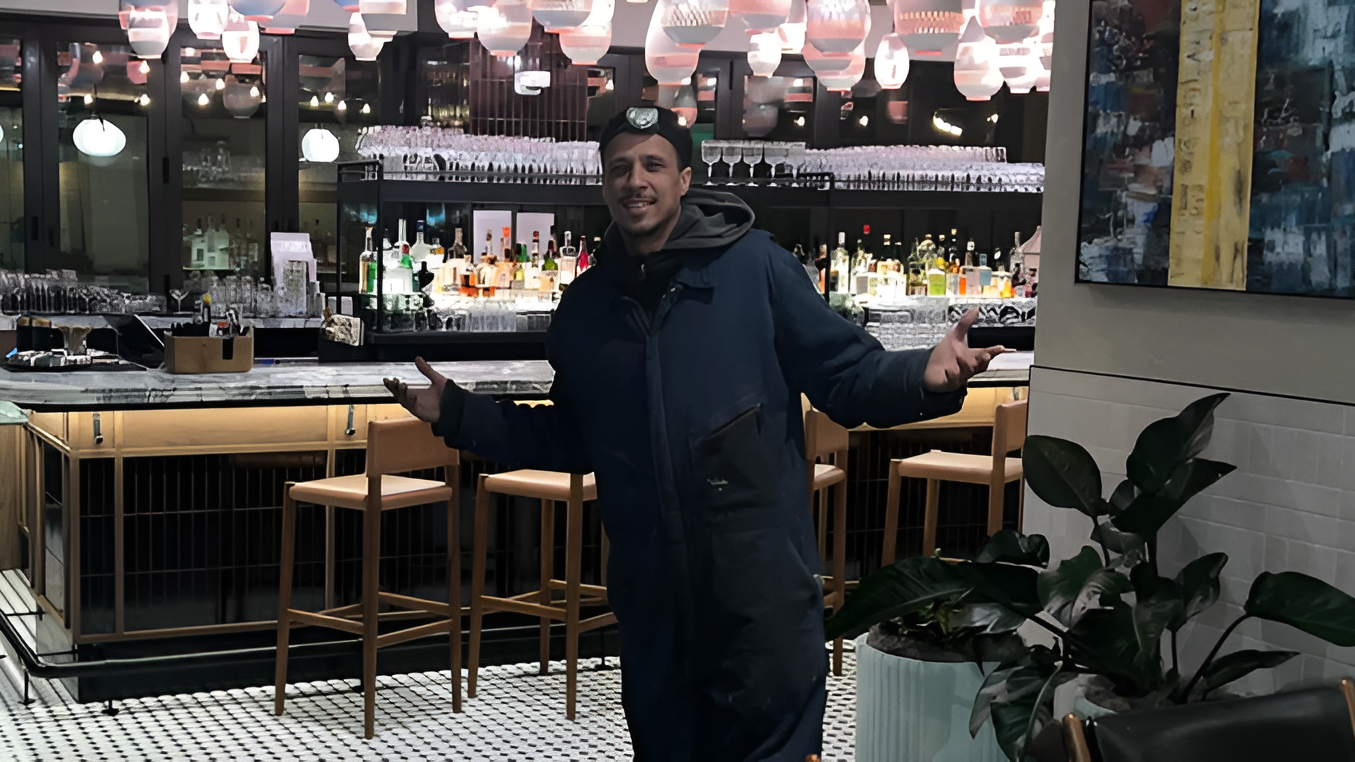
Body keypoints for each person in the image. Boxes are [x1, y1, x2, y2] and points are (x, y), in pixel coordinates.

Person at [385, 106, 1008, 761]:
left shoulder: (756, 269)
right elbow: (572, 438)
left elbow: (844, 376)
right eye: (620, 167)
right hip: (653, 601)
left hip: (759, 594)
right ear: (603, 184)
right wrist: (457, 413)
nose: (636, 181)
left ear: (683, 178)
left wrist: (924, 376)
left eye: (652, 164)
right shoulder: (586, 309)